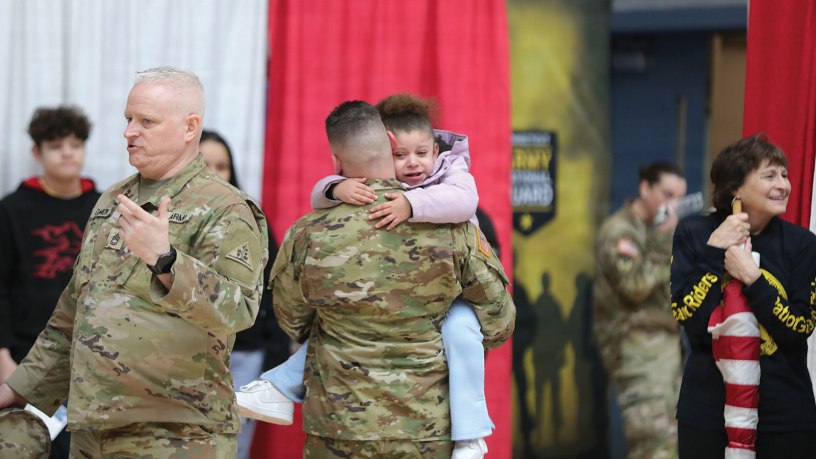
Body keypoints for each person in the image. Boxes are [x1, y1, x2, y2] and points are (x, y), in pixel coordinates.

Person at [0, 66, 269, 457]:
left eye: (146, 121)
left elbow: (239, 310)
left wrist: (167, 260)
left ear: (189, 127)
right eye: (128, 119)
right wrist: (19, 386)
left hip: (175, 433)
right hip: (93, 426)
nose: (129, 132)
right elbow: (73, 313)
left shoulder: (225, 208)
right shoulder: (111, 200)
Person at [238, 94, 494, 458]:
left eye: (422, 153)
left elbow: (293, 319)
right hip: (424, 430)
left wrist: (351, 324)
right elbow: (498, 319)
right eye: (404, 154)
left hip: (340, 425)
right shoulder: (455, 233)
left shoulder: (310, 233)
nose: (413, 163)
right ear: (390, 146)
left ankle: (279, 387)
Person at [671, 135, 816, 459]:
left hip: (784, 418)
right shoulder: (695, 232)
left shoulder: (802, 244)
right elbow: (689, 319)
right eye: (770, 176)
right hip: (708, 414)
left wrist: (752, 277)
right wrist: (714, 251)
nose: (784, 185)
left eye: (784, 175)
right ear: (735, 187)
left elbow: (797, 330)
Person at [0, 106, 99, 459]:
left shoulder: (103, 207)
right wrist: (4, 354)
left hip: (93, 352)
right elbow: (2, 288)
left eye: (76, 143)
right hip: (29, 352)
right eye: (57, 145)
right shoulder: (12, 209)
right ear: (37, 152)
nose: (68, 152)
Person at [200, 129, 289, 459]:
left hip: (243, 358)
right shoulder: (167, 219)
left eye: (221, 166)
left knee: (231, 450)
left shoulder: (252, 218)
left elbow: (276, 288)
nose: (214, 173)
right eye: (204, 164)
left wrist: (274, 356)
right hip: (179, 357)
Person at [593, 161, 687, 459]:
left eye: (678, 199)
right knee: (654, 445)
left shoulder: (652, 230)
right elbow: (634, 286)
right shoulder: (620, 231)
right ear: (645, 188)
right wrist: (663, 241)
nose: (673, 205)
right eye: (667, 194)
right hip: (636, 352)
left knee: (672, 442)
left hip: (664, 352)